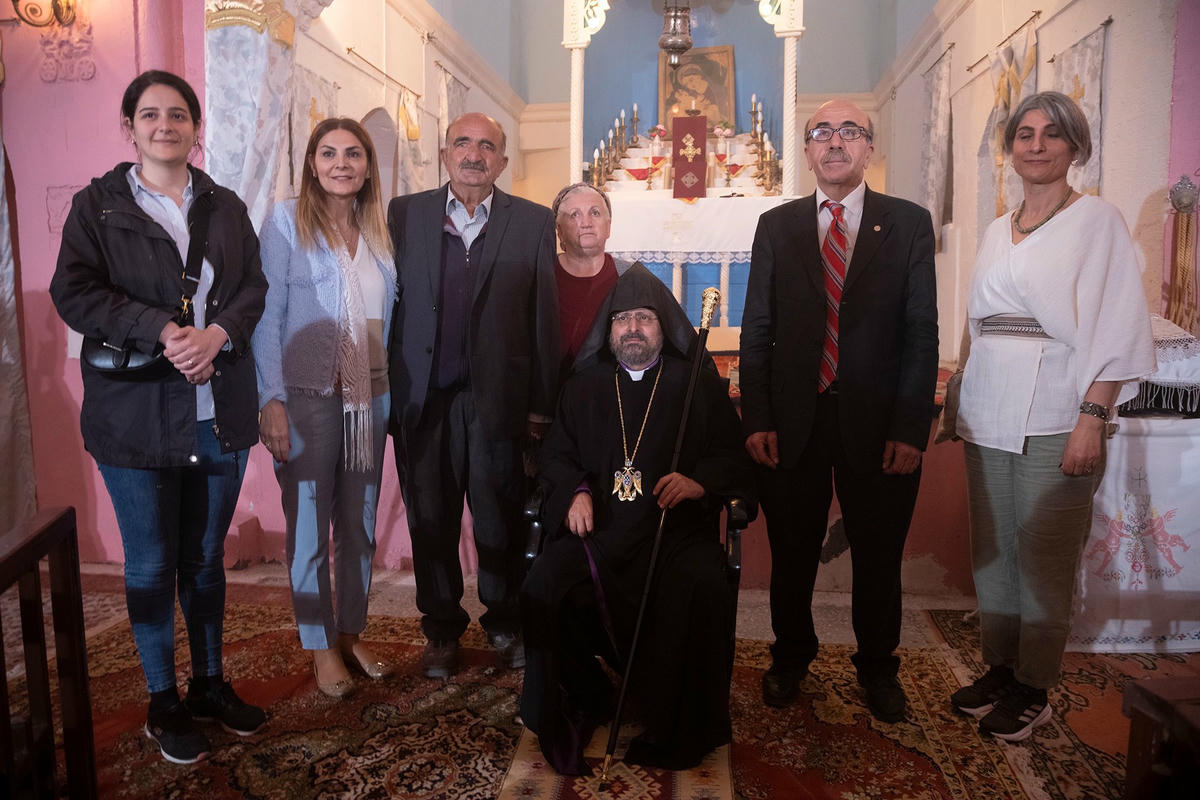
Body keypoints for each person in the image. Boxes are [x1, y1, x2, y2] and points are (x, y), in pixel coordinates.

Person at [50, 70, 268, 764]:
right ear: (129, 127)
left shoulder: (225, 206)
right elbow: (74, 292)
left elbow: (252, 287)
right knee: (149, 565)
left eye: (178, 114)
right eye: (150, 114)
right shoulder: (99, 206)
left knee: (204, 561)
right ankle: (162, 700)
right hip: (135, 416)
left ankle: (208, 685)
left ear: (195, 128)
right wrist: (162, 329)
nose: (165, 125)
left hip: (217, 411)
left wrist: (218, 335)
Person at [948, 91, 1154, 741]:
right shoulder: (994, 229)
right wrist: (958, 393)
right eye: (1024, 134)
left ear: (1075, 147)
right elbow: (977, 324)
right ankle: (1001, 669)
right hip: (989, 408)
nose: (1036, 145)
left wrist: (1093, 416)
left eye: (1052, 134)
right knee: (994, 551)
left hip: (1058, 410)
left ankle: (1034, 687)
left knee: (1044, 555)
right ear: (1010, 149)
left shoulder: (1097, 221)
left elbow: (1118, 323)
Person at [739, 98, 938, 722]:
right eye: (821, 132)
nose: (834, 142)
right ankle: (790, 657)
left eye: (850, 131)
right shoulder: (776, 225)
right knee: (793, 553)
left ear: (868, 148)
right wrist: (757, 418)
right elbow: (758, 328)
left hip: (879, 425)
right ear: (806, 151)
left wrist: (911, 427)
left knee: (878, 557)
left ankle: (878, 668)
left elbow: (921, 332)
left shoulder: (907, 223)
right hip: (793, 421)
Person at [521, 264, 751, 775]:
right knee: (543, 584)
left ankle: (680, 721)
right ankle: (583, 696)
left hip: (672, 534)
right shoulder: (584, 387)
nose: (632, 329)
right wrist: (575, 492)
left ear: (662, 326)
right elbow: (556, 455)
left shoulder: (694, 385)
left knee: (704, 583)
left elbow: (730, 455)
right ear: (609, 329)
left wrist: (699, 483)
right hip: (600, 533)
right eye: (622, 319)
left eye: (644, 318)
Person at [387, 112, 558, 678]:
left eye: (487, 146)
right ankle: (440, 627)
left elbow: (543, 317)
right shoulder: (405, 214)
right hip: (424, 401)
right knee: (430, 521)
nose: (473, 154)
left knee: (498, 521)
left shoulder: (533, 222)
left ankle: (505, 621)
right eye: (462, 143)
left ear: (502, 162)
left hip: (498, 404)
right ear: (445, 153)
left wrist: (539, 407)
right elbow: (389, 303)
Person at [253, 118, 397, 698]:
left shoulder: (380, 229)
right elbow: (266, 318)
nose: (342, 164)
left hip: (371, 399)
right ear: (312, 163)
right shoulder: (286, 222)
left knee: (359, 525)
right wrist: (270, 399)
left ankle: (350, 631)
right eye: (329, 153)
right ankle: (319, 644)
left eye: (354, 154)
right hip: (308, 397)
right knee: (310, 524)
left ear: (368, 166)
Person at [550, 182, 634, 378]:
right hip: (547, 388)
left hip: (610, 386)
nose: (586, 222)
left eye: (595, 213)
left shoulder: (630, 275)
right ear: (559, 230)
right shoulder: (540, 275)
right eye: (574, 215)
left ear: (608, 227)